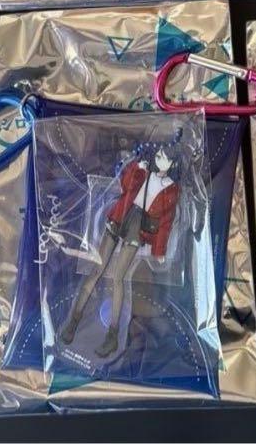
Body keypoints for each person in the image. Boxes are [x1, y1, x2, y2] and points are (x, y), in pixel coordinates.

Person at [58, 145, 180, 358]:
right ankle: (73, 321)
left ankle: (112, 336)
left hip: (138, 227)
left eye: (165, 158)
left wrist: (159, 250)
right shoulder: (144, 171)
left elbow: (166, 222)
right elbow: (125, 185)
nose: (159, 159)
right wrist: (137, 167)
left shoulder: (171, 188)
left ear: (173, 164)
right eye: (159, 155)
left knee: (118, 278)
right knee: (97, 270)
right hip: (121, 215)